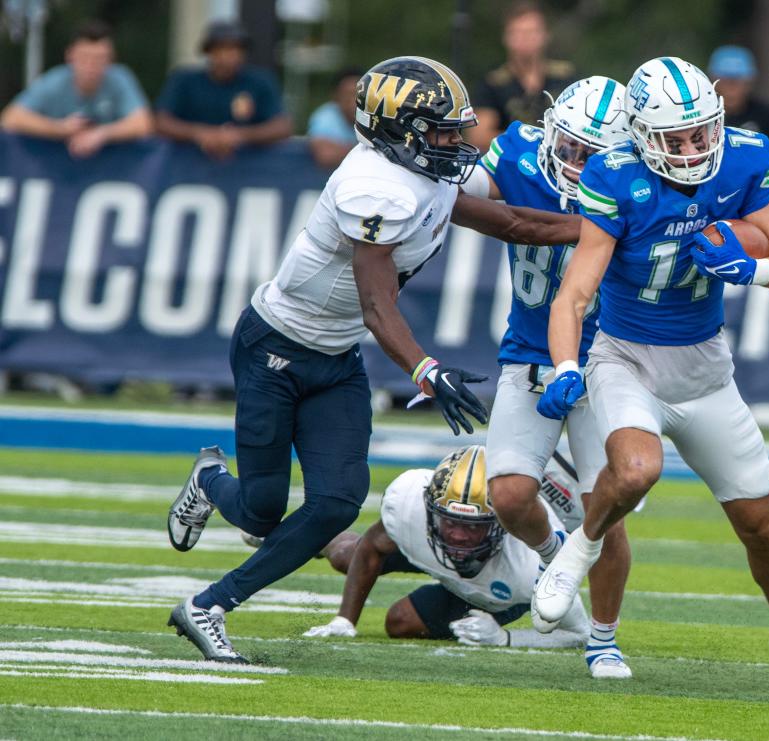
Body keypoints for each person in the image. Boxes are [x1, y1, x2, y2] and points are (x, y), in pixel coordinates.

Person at [164, 56, 581, 663]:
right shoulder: (373, 185)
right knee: (260, 508)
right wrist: (425, 369)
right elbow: (376, 303)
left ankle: (209, 605)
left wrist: (600, 230)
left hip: (335, 358)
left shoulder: (427, 174)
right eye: (440, 129)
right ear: (398, 130)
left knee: (336, 502)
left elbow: (512, 221)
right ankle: (210, 481)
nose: (454, 142)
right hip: (275, 348)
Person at [532, 56, 769, 695]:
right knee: (637, 470)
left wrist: (749, 271)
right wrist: (565, 364)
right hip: (626, 360)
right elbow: (573, 296)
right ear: (642, 135)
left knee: (762, 526)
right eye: (677, 138)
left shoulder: (745, 159)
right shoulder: (614, 176)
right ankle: (581, 547)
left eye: (702, 133)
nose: (695, 148)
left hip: (705, 372)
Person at [459, 76, 636, 678]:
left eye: (592, 154)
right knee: (508, 495)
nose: (574, 160)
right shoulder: (518, 152)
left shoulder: (638, 184)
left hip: (608, 361)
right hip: (530, 352)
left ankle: (604, 639)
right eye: (569, 145)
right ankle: (560, 557)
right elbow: (463, 193)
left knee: (603, 509)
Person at [302, 446, 589, 647]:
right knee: (345, 556)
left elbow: (578, 634)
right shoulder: (409, 504)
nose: (458, 536)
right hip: (429, 546)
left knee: (401, 623)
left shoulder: (532, 563)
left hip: (490, 591)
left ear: (501, 524)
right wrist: (345, 620)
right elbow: (372, 548)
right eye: (450, 522)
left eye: (473, 526)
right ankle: (298, 538)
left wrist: (505, 639)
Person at [0, 19, 152, 158]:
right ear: (70, 56)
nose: (91, 66)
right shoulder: (55, 81)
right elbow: (11, 118)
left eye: (99, 59)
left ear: (111, 59)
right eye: (85, 57)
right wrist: (60, 129)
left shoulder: (120, 78)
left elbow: (142, 123)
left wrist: (101, 134)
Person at [154, 20, 292, 159]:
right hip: (184, 168)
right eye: (223, 48)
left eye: (237, 48)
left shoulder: (260, 81)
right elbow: (161, 121)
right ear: (209, 51)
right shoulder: (184, 80)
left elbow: (282, 126)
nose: (230, 55)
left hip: (248, 171)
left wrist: (239, 135)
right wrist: (199, 133)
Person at [470, 1, 576, 153]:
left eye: (532, 32)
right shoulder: (493, 83)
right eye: (518, 33)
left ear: (545, 35)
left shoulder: (566, 76)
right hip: (511, 165)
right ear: (506, 37)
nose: (525, 39)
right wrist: (536, 141)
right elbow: (479, 136)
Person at [307, 67, 362, 169]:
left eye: (358, 94)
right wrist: (369, 150)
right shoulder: (325, 117)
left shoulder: (375, 114)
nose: (354, 101)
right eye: (348, 94)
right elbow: (326, 156)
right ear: (335, 95)